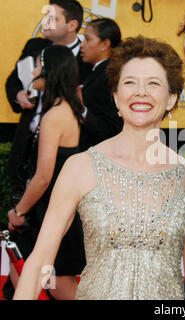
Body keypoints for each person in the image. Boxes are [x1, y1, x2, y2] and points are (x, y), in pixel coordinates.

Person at [13, 36, 185, 300]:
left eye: (153, 83)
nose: (141, 92)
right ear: (116, 97)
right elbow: (40, 259)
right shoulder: (81, 166)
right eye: (130, 83)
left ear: (171, 99)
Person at [3, 0, 90, 299]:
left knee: (56, 280)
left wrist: (19, 210)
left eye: (39, 65)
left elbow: (43, 176)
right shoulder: (67, 109)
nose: (34, 71)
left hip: (49, 207)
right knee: (30, 272)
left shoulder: (55, 116)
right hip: (52, 205)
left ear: (50, 71)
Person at [79, 18, 123, 151]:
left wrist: (81, 109)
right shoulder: (97, 71)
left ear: (105, 44)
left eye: (88, 39)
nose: (82, 44)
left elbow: (111, 128)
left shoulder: (108, 76)